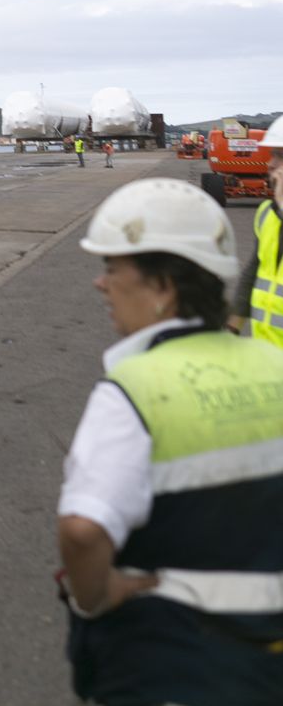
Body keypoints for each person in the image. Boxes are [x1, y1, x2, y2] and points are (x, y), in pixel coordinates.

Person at [57, 178, 283, 706]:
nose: (100, 284)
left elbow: (84, 532)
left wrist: (98, 596)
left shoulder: (134, 390)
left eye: (113, 269)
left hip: (176, 664)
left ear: (162, 288)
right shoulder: (276, 366)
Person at [228, 114, 283, 343]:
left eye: (280, 157)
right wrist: (232, 330)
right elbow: (253, 270)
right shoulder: (266, 214)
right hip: (267, 356)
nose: (270, 164)